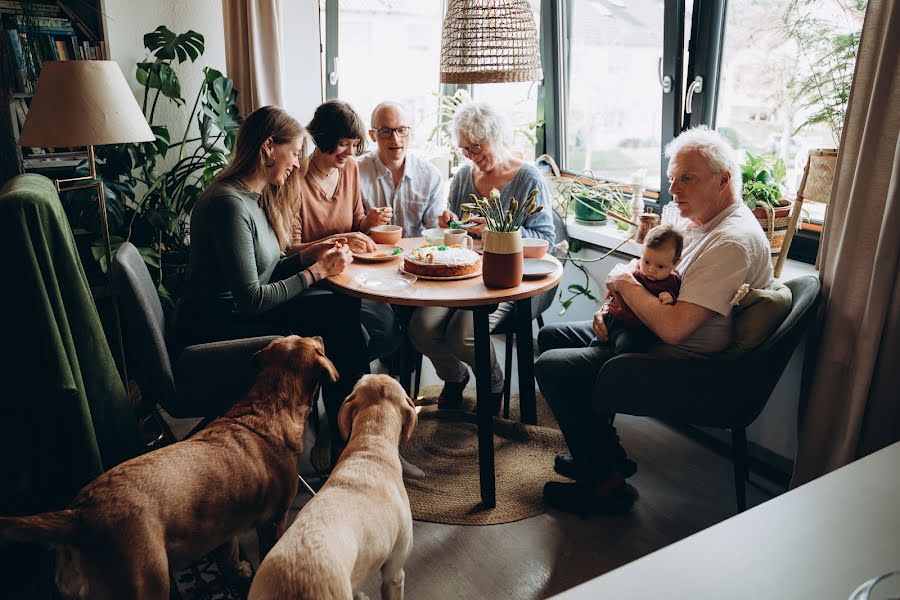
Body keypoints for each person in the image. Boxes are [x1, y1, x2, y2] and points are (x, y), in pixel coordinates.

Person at [535, 126, 773, 515]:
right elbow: (641, 270)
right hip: (646, 333)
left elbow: (674, 328)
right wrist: (609, 304)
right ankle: (602, 457)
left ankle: (605, 487)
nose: (674, 190)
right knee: (552, 336)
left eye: (687, 179)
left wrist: (623, 286)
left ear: (723, 179)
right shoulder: (698, 223)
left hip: (683, 362)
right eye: (672, 179)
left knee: (553, 368)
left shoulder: (731, 240)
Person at [176, 105, 369, 442]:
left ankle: (348, 433)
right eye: (293, 153)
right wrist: (318, 271)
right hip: (218, 328)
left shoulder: (253, 197)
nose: (297, 163)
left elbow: (267, 269)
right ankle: (355, 435)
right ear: (268, 147)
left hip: (236, 314)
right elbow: (251, 299)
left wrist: (313, 253)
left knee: (342, 309)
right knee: (340, 318)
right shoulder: (229, 205)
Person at [408, 101, 555, 411]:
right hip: (463, 277)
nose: (472, 155)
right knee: (422, 326)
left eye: (477, 145)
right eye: (465, 149)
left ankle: (493, 384)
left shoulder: (528, 178)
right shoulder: (464, 176)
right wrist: (448, 224)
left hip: (508, 280)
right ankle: (455, 377)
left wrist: (494, 233)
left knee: (463, 333)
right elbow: (456, 239)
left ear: (497, 136)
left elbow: (545, 241)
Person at [290, 99, 402, 362]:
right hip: (317, 280)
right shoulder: (295, 178)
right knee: (356, 337)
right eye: (343, 144)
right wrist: (343, 240)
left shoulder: (350, 168)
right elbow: (291, 251)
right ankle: (345, 385)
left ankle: (346, 372)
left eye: (354, 145)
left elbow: (356, 221)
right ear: (322, 138)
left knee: (388, 333)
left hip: (352, 273)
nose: (350, 153)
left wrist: (369, 222)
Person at [592, 224, 683, 355]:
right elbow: (616, 281)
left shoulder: (671, 281)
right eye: (646, 262)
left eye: (660, 266)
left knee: (624, 346)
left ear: (675, 264)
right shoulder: (634, 268)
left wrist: (669, 296)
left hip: (632, 327)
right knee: (597, 341)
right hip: (612, 317)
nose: (651, 270)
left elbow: (674, 293)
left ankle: (609, 365)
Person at [357, 101, 445, 238]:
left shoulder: (431, 176)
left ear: (410, 131)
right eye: (386, 132)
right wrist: (367, 222)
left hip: (416, 256)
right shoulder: (355, 172)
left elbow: (436, 231)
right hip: (370, 256)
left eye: (401, 130)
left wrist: (449, 223)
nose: (396, 139)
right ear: (372, 135)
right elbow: (347, 231)